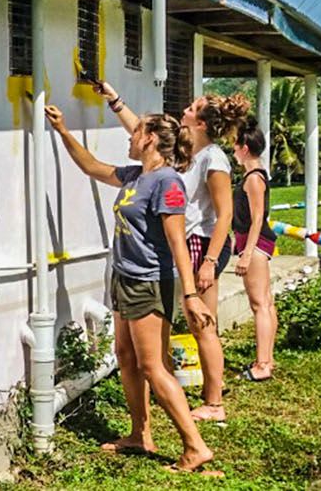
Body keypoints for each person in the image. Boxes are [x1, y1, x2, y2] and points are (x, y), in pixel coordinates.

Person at [45, 104, 219, 476]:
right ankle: (141, 434)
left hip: (150, 281)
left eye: (135, 132)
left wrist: (190, 295)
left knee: (153, 367)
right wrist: (62, 131)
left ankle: (195, 446)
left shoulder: (167, 182)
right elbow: (93, 167)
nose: (129, 137)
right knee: (125, 355)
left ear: (150, 139)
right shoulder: (135, 176)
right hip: (125, 277)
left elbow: (177, 243)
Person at [96, 82, 249, 422]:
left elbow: (225, 214)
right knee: (181, 324)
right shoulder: (186, 154)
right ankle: (171, 391)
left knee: (203, 324)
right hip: (186, 244)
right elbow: (144, 135)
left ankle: (214, 402)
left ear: (202, 124)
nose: (184, 112)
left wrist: (210, 262)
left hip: (202, 245)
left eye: (191, 110)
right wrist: (116, 101)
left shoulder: (214, 159)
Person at [231, 117, 278, 382]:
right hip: (255, 241)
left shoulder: (253, 178)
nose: (234, 152)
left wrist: (247, 253)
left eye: (235, 147)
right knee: (266, 303)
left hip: (255, 242)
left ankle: (262, 365)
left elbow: (257, 217)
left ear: (244, 148)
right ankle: (267, 359)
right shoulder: (256, 175)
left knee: (259, 304)